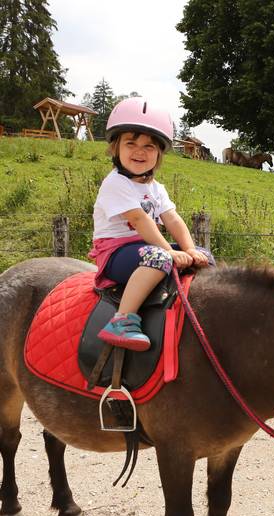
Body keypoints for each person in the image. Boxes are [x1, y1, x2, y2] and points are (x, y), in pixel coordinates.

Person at [89, 97, 212, 351]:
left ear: (159, 154)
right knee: (160, 258)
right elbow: (139, 220)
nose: (139, 151)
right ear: (115, 148)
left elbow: (173, 219)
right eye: (131, 143)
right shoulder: (115, 183)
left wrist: (190, 250)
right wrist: (170, 251)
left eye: (149, 146)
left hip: (145, 248)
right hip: (115, 253)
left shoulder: (156, 188)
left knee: (205, 256)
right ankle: (121, 321)